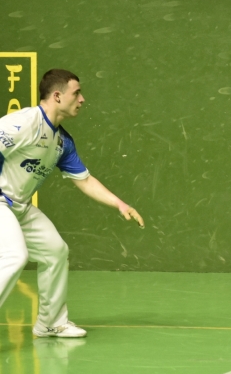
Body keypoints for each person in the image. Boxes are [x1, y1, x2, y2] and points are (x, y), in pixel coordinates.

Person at [0, 69, 144, 338]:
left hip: (17, 205)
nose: (82, 99)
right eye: (76, 93)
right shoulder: (22, 124)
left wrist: (120, 204)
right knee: (14, 256)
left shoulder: (61, 141)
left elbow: (85, 180)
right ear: (57, 96)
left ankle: (50, 323)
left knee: (55, 250)